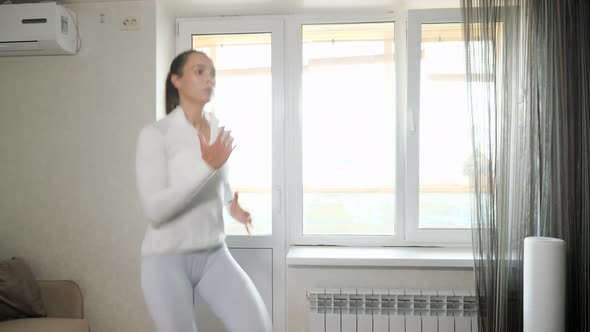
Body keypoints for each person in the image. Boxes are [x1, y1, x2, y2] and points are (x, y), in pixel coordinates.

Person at [135, 50, 272, 332]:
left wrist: (231, 207)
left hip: (214, 254)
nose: (209, 78)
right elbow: (155, 210)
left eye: (212, 73)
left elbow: (217, 185)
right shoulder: (156, 135)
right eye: (199, 71)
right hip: (166, 260)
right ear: (176, 80)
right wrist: (206, 166)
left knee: (257, 327)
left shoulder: (218, 127)